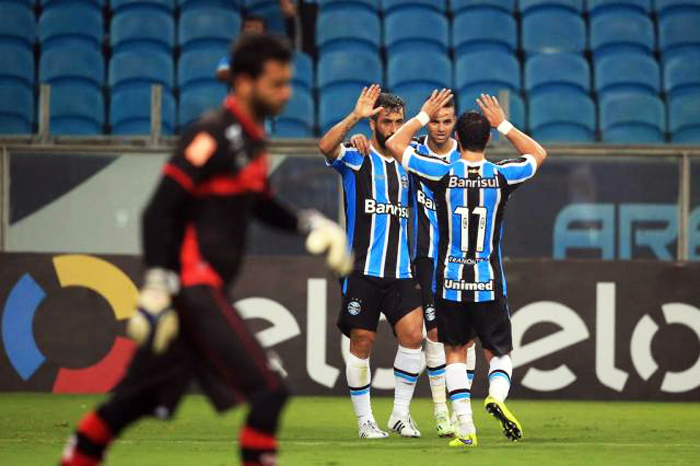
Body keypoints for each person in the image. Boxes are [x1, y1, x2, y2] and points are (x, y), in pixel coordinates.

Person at [60, 33, 352, 466]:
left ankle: (77, 455)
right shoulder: (211, 134)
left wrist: (307, 222)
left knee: (132, 402)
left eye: (288, 82)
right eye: (277, 83)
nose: (286, 93)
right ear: (245, 82)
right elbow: (158, 211)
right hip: (194, 289)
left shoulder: (250, 139)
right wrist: (158, 284)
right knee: (270, 391)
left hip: (199, 292)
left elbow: (258, 202)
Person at [386, 90, 548, 447]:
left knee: (454, 352)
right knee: (499, 354)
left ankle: (465, 427)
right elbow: (538, 154)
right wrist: (503, 122)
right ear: (488, 138)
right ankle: (497, 397)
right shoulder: (503, 176)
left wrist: (424, 115)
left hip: (450, 281)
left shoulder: (442, 173)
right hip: (489, 282)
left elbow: (396, 144)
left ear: (456, 138)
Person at [348, 99, 478, 438]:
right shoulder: (413, 151)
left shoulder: (467, 160)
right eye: (433, 120)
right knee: (431, 335)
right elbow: (389, 144)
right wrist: (359, 135)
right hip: (423, 258)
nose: (439, 126)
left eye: (446, 120)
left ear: (455, 124)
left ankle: (431, 411)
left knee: (464, 337)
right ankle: (437, 412)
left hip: (462, 259)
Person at [318, 85, 425, 439]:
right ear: (374, 122)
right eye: (386, 121)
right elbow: (324, 147)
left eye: (399, 121)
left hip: (401, 270)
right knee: (362, 341)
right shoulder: (356, 156)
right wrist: (354, 118)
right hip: (362, 270)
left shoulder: (412, 160)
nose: (393, 128)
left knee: (413, 336)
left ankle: (399, 414)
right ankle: (365, 421)